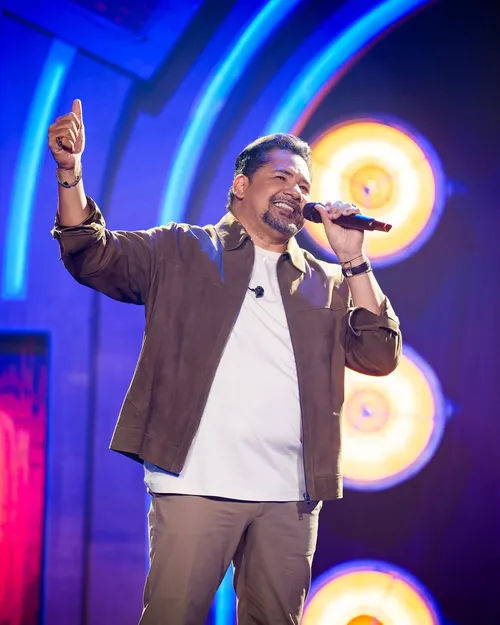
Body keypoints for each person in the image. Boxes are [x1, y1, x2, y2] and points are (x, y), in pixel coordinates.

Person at [48, 99, 401, 625]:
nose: (297, 191)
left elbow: (379, 355)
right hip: (196, 483)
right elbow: (91, 254)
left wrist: (353, 257)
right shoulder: (181, 250)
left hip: (289, 496)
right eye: (282, 177)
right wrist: (70, 173)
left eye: (304, 185)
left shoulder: (325, 282)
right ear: (241, 185)